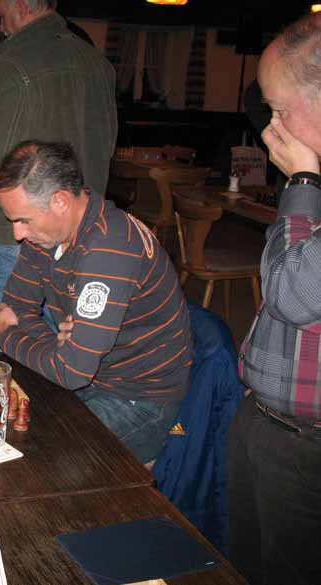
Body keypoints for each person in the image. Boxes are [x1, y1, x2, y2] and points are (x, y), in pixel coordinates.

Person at [0, 141, 191, 464]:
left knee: (37, 460)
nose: (17, 234)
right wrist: (59, 352)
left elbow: (70, 371)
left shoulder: (109, 250)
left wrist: (10, 336)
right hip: (90, 378)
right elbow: (16, 308)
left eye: (23, 220)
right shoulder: (47, 235)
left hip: (138, 399)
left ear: (60, 201)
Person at [230, 13, 321, 585]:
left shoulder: (309, 181)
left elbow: (290, 294)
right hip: (272, 419)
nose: (272, 126)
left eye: (279, 108)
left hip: (306, 446)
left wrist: (302, 182)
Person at [0, 0, 117, 307]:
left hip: (16, 230)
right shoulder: (98, 62)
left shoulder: (14, 63)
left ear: (22, 6)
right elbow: (108, 144)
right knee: (61, 329)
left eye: (2, 15)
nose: (1, 26)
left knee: (9, 328)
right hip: (77, 227)